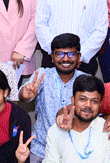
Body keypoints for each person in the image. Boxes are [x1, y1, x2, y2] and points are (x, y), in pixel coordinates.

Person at [43, 75, 110, 162]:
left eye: (94, 101)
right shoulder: (55, 131)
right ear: (73, 100)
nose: (88, 105)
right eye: (83, 99)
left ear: (100, 104)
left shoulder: (108, 129)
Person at [18, 33, 87, 162]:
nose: (65, 59)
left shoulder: (86, 80)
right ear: (52, 57)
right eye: (59, 54)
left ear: (79, 57)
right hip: (41, 149)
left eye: (71, 54)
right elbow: (23, 94)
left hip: (74, 151)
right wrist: (25, 94)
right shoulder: (43, 75)